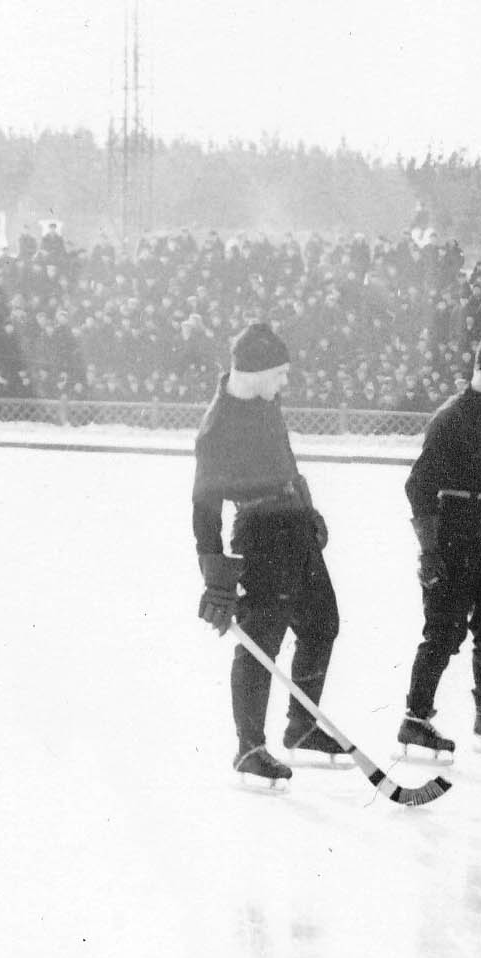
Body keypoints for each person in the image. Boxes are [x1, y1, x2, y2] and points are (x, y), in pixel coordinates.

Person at [192, 321, 341, 786]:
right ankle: (249, 747)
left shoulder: (266, 402)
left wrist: (308, 508)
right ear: (255, 372)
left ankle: (302, 724)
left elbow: (288, 459)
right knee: (261, 641)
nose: (284, 383)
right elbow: (205, 508)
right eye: (279, 374)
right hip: (260, 534)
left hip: (294, 523)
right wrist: (217, 580)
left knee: (322, 623)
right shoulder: (217, 427)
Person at [397, 332, 481, 757]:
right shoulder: (450, 418)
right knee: (445, 630)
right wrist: (429, 549)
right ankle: (415, 720)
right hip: (454, 534)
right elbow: (418, 486)